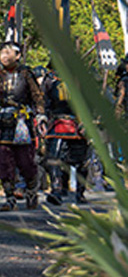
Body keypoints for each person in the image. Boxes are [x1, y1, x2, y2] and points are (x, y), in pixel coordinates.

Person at [0, 38, 45, 211]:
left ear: (18, 55)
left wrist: (41, 114)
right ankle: (9, 199)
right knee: (3, 161)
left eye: (8, 52)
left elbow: (37, 95)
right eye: (2, 52)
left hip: (22, 122)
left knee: (26, 161)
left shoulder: (26, 73)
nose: (4, 56)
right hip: (2, 122)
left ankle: (31, 192)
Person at [42, 64, 90, 206]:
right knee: (53, 157)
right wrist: (42, 117)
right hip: (56, 121)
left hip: (77, 122)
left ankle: (80, 193)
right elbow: (44, 101)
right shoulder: (50, 80)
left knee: (81, 161)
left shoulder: (79, 78)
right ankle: (56, 189)